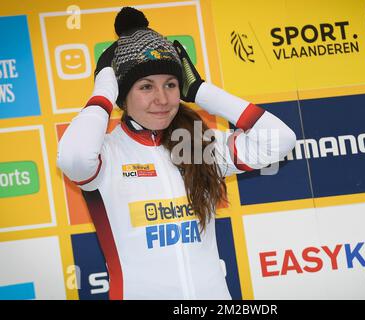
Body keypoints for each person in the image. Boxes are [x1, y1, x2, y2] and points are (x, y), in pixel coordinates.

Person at [57, 7, 296, 300]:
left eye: (171, 84)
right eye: (146, 87)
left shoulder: (198, 147)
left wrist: (202, 91)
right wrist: (105, 87)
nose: (162, 99)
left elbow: (280, 140)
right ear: (122, 96)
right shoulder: (107, 155)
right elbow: (74, 159)